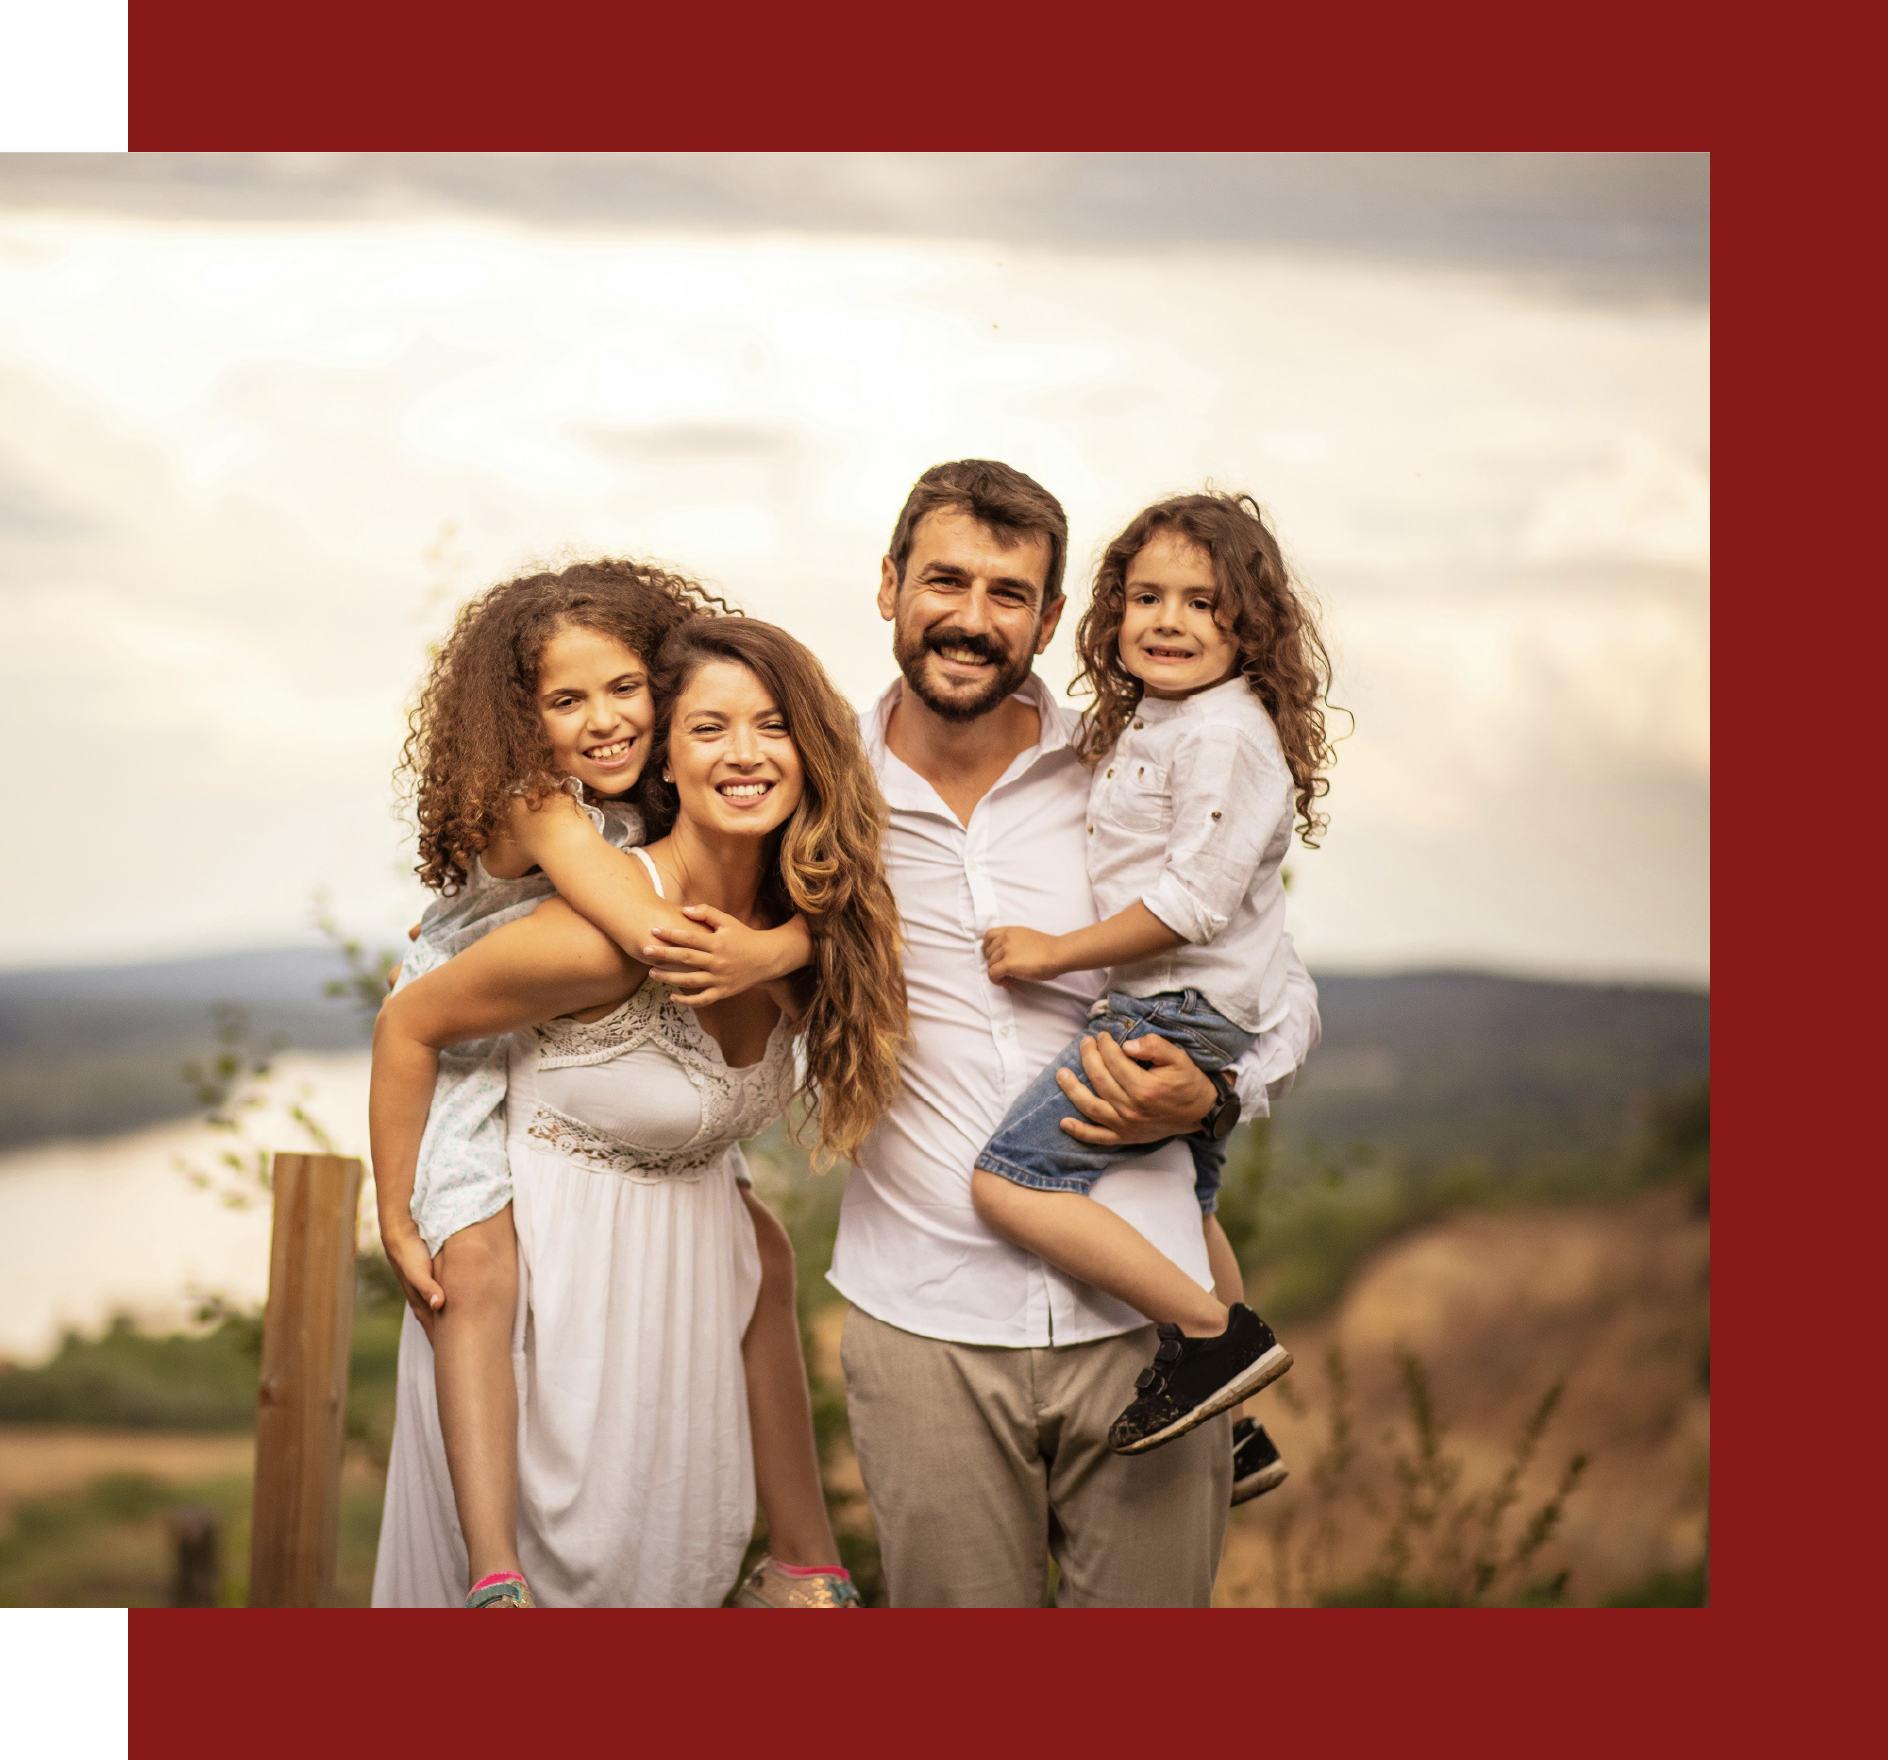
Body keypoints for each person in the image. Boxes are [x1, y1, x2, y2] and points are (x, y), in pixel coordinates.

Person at [828, 461, 1320, 1607]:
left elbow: (1277, 979)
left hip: (1143, 1335)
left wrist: (1217, 1094)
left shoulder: (1127, 765)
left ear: (1050, 620)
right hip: (924, 1320)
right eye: (944, 579)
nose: (970, 615)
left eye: (1009, 592)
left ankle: (1221, 1369)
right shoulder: (819, 785)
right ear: (890, 583)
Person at [371, 594, 899, 1606]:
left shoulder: (778, 904)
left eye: (773, 723)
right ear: (673, 750)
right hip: (467, 1064)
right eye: (710, 725)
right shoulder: (562, 836)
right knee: (473, 1262)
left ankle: (804, 1559)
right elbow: (649, 936)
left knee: (768, 1251)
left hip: (677, 1275)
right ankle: (495, 1577)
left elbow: (851, 933)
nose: (604, 716)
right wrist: (395, 1209)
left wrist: (784, 942)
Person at [970, 491, 1335, 1460]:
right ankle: (1238, 1427)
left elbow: (1191, 905)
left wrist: (1049, 952)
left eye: (1204, 602)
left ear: (1250, 625)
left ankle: (1218, 1339)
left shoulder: (1223, 733)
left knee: (1011, 1181)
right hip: (1194, 1006)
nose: (1168, 620)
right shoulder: (1170, 722)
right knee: (1190, 1202)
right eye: (1145, 596)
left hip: (1171, 1008)